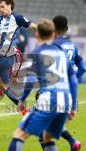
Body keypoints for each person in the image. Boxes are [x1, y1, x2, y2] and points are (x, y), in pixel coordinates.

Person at [8, 18, 78, 151]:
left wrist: (22, 100)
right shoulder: (61, 53)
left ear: (36, 35)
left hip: (49, 98)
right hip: (65, 100)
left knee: (19, 135)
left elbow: (30, 80)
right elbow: (73, 80)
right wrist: (73, 106)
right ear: (53, 35)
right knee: (48, 137)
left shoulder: (36, 53)